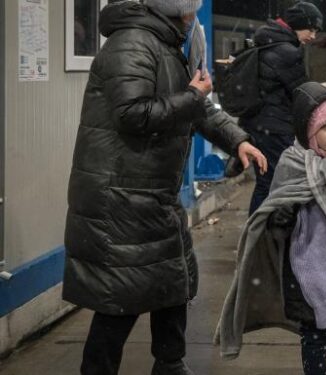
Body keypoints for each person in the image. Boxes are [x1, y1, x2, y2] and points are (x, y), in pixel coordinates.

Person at [62, 1, 268, 374]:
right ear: (177, 10)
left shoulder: (166, 42)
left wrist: (237, 139)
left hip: (150, 190)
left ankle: (170, 364)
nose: (195, 15)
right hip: (120, 195)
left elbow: (198, 108)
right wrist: (192, 95)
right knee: (120, 297)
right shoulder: (132, 43)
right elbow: (133, 113)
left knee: (174, 280)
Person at [216, 82, 326, 375]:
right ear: (308, 128)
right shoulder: (293, 162)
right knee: (314, 333)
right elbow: (275, 218)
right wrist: (285, 214)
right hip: (305, 270)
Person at [240, 1, 322, 216]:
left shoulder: (266, 41)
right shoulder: (287, 51)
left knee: (266, 180)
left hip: (258, 123)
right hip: (275, 127)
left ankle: (258, 232)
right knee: (274, 182)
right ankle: (260, 235)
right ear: (297, 24)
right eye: (311, 29)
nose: (313, 36)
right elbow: (302, 92)